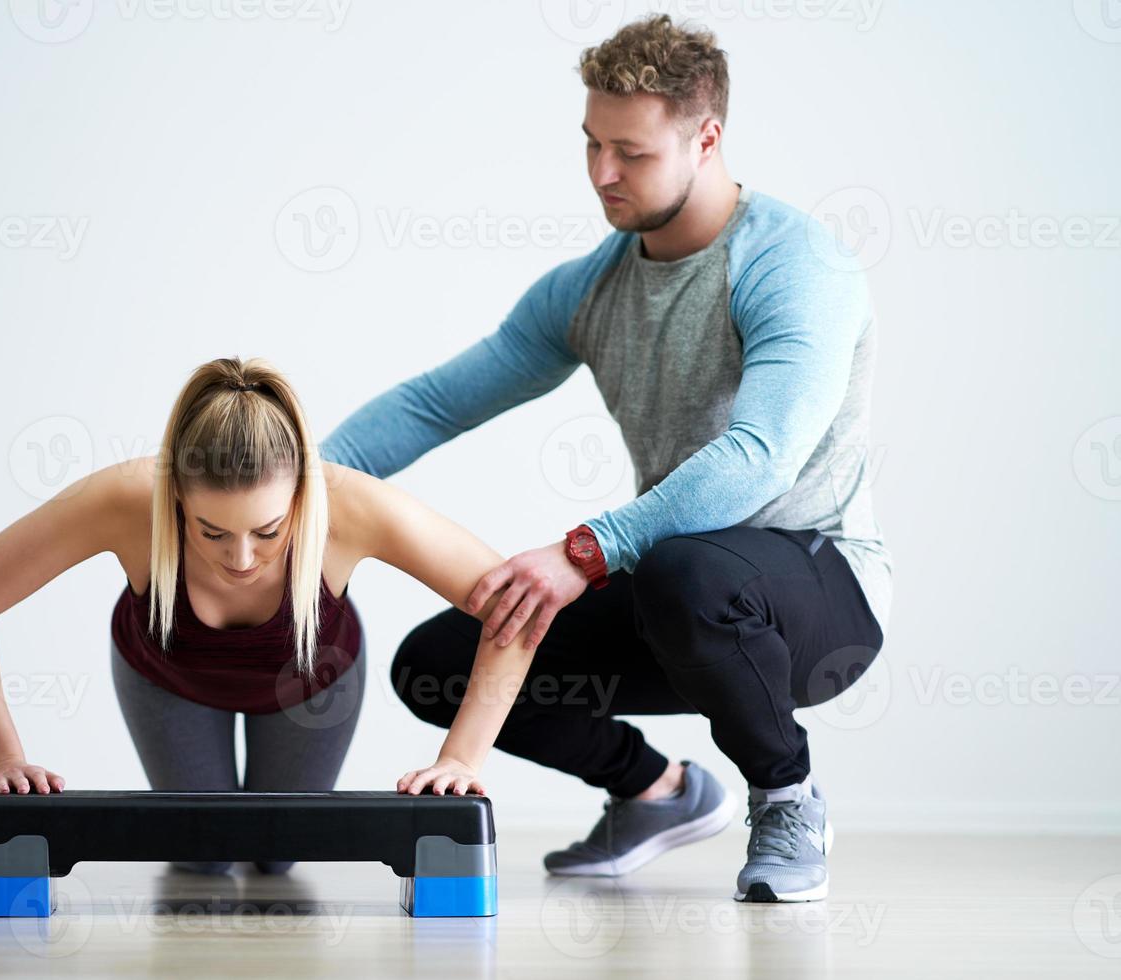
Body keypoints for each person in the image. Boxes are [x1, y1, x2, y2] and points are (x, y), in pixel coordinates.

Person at [319, 14, 892, 903]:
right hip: (679, 591)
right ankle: (655, 791)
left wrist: (584, 551)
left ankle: (784, 796)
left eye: (630, 152)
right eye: (590, 144)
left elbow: (760, 455)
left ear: (707, 138)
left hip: (818, 593)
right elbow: (436, 403)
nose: (600, 174)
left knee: (681, 569)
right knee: (436, 664)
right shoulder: (592, 287)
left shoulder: (793, 264)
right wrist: (294, 496)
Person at [0, 356, 538, 876]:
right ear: (174, 499)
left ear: (301, 495)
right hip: (166, 676)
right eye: (211, 532)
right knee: (203, 856)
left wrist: (461, 758)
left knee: (280, 856)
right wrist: (2, 759)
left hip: (311, 680)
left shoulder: (351, 506)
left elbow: (518, 607)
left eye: (268, 531)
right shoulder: (124, 500)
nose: (241, 558)